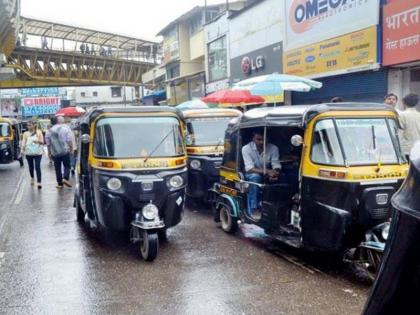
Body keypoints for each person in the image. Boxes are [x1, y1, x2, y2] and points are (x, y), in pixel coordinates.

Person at [242, 130, 281, 220]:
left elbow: (276, 164)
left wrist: (275, 173)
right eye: (258, 139)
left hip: (266, 174)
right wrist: (267, 171)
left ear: (267, 139)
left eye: (264, 139)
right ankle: (254, 209)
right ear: (253, 139)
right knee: (255, 177)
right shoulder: (246, 148)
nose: (261, 142)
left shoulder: (273, 148)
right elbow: (249, 168)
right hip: (251, 174)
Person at [45, 116, 74, 189]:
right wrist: (71, 149)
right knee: (67, 166)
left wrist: (49, 153)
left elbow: (48, 144)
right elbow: (69, 140)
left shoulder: (48, 131)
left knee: (57, 168)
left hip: (55, 152)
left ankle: (60, 184)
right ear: (58, 121)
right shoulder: (65, 129)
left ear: (51, 123)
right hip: (65, 151)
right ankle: (65, 178)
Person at [21, 120, 44, 189]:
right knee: (31, 167)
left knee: (37, 166)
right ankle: (32, 177)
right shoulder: (25, 133)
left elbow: (42, 142)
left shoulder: (39, 132)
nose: (29, 126)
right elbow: (23, 142)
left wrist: (37, 141)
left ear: (34, 125)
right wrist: (23, 148)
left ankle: (39, 182)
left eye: (30, 125)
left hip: (38, 153)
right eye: (28, 125)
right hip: (29, 153)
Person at [399, 93, 420, 159]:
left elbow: (400, 133)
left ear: (404, 102)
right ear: (417, 103)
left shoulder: (402, 115)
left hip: (407, 150)